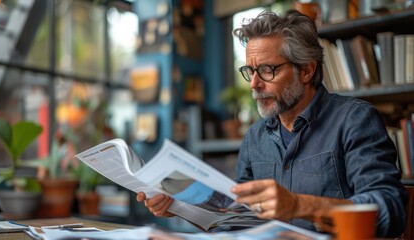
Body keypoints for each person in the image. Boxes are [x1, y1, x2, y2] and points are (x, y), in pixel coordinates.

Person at [137, 9, 407, 238]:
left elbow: (390, 209)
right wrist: (178, 205)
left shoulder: (354, 120)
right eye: (250, 71)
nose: (254, 83)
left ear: (306, 70)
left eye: (267, 70)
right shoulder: (255, 136)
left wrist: (300, 205)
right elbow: (238, 219)